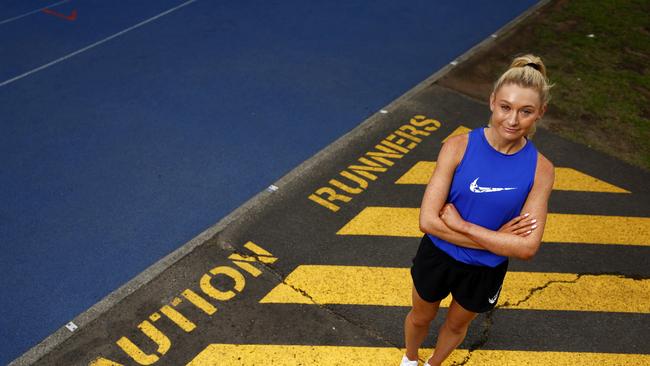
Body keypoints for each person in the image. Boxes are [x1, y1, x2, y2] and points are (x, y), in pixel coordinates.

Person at [400, 54, 555, 366]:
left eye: (525, 111)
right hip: (438, 256)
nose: (512, 120)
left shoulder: (541, 170)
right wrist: (498, 239)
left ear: (540, 112)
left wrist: (462, 226)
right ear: (492, 101)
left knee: (457, 325)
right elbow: (428, 222)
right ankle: (410, 359)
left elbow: (527, 248)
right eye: (505, 107)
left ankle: (433, 364)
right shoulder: (457, 147)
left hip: (484, 271)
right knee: (420, 317)